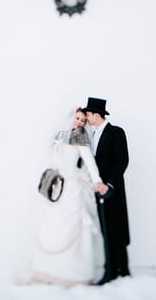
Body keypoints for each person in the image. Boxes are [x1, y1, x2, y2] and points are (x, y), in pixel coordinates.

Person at [31, 108, 109, 286]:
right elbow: (54, 160)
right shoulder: (59, 135)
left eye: (83, 120)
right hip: (59, 187)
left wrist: (97, 180)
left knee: (73, 228)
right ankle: (50, 271)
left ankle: (73, 274)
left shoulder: (79, 137)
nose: (80, 122)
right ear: (71, 117)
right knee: (53, 227)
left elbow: (89, 161)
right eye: (77, 118)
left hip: (73, 188)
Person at [82, 97, 130, 285]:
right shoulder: (92, 134)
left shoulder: (116, 132)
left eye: (88, 114)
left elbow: (122, 161)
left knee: (116, 228)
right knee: (106, 229)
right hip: (98, 189)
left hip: (113, 189)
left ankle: (119, 270)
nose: (86, 117)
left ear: (96, 114)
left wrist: (110, 185)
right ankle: (113, 269)